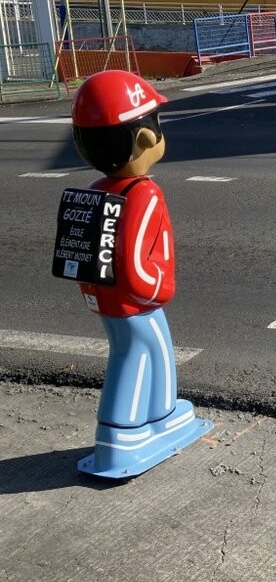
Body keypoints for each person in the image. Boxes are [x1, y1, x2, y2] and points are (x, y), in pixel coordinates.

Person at [69, 70, 211, 478]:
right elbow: (134, 259)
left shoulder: (98, 188)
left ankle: (159, 414)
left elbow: (86, 246)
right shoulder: (143, 193)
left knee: (148, 349)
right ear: (146, 139)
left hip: (107, 295)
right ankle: (122, 433)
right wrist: (158, 290)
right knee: (138, 353)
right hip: (137, 298)